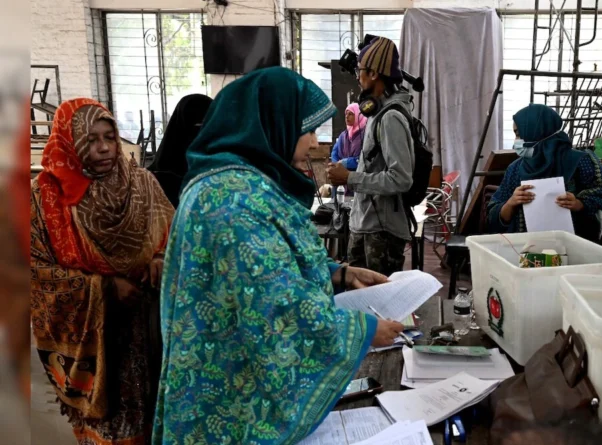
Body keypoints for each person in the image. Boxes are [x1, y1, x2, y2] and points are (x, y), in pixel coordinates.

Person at [152, 67, 404, 445]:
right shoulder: (229, 201)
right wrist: (363, 331)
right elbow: (272, 304)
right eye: (308, 129)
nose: (314, 143)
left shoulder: (245, 183)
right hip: (226, 401)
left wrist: (339, 274)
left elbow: (267, 261)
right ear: (272, 123)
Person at [30, 98, 174, 444]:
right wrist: (105, 288)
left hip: (147, 324)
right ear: (70, 141)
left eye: (110, 137)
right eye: (91, 139)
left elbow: (173, 235)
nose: (105, 148)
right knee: (108, 426)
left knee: (155, 414)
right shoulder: (45, 197)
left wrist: (160, 258)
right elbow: (33, 270)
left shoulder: (142, 184)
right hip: (93, 334)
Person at [326, 36, 415, 276]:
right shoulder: (378, 113)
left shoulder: (391, 118)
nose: (357, 76)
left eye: (360, 70)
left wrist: (350, 178)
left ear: (374, 74)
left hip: (380, 232)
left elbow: (401, 179)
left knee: (378, 297)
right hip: (366, 225)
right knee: (358, 295)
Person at [486, 104, 602, 241]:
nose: (516, 142)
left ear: (535, 131)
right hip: (526, 246)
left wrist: (580, 203)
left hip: (574, 243)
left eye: (519, 134)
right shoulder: (515, 169)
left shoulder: (579, 161)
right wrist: (511, 203)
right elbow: (493, 215)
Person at [147, 93, 213, 207]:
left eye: (208, 127)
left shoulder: (225, 173)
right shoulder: (152, 182)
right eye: (198, 126)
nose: (202, 136)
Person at [331, 102, 367, 171]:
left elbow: (366, 158)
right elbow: (334, 152)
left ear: (358, 115)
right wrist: (336, 164)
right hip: (342, 173)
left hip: (360, 174)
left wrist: (347, 162)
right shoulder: (343, 135)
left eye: (350, 114)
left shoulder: (365, 133)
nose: (347, 116)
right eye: (346, 114)